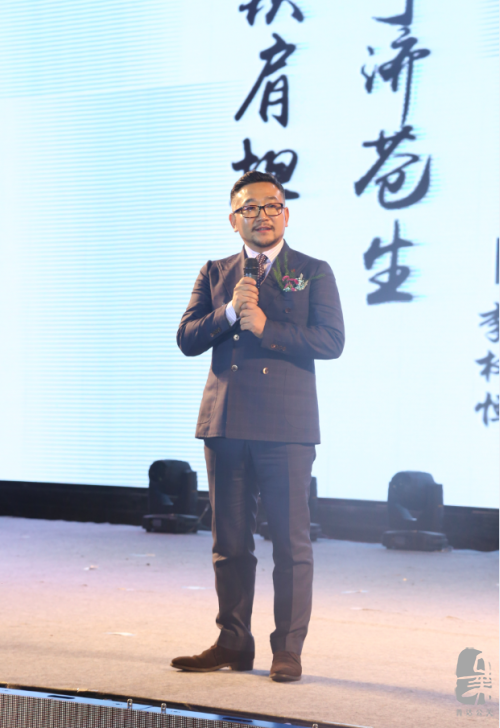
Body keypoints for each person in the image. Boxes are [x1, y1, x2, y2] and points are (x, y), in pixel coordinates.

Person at [173, 171, 344, 682]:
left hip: (286, 426)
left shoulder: (312, 271)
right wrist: (228, 313)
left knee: (290, 544)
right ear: (234, 220)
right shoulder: (215, 272)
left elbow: (331, 341)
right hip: (225, 422)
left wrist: (269, 329)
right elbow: (186, 338)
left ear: (285, 214)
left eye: (271, 206)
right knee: (229, 542)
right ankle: (233, 641)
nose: (262, 215)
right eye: (250, 207)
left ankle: (286, 650)